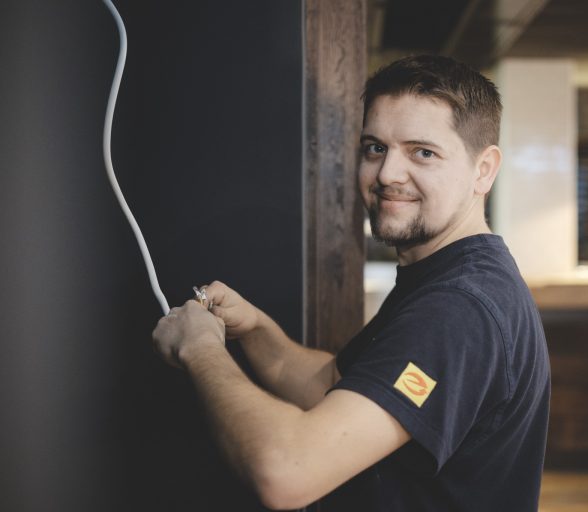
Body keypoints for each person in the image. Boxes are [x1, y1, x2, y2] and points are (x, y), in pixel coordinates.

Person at [152, 55, 550, 511]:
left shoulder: (459, 308)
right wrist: (256, 329)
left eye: (422, 152)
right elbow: (338, 385)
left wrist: (201, 349)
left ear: (484, 169)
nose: (387, 174)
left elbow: (286, 471)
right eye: (375, 148)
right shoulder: (443, 275)